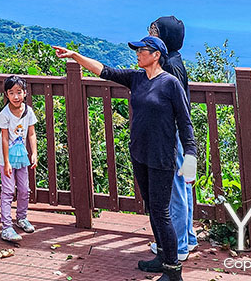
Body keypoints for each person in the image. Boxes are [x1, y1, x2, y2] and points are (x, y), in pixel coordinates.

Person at [55, 38, 196, 281]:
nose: (138, 54)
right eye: (138, 50)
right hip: (140, 154)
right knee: (152, 208)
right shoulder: (137, 78)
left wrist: (190, 158)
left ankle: (174, 272)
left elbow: (185, 123)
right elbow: (104, 71)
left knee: (162, 213)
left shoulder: (171, 84)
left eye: (143, 51)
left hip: (162, 157)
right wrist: (76, 56)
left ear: (156, 55)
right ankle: (162, 257)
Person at [148, 16, 197, 262]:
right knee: (182, 185)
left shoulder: (169, 68)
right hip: (176, 131)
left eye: (154, 34)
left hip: (172, 132)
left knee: (175, 189)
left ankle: (176, 247)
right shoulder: (175, 61)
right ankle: (186, 237)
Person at [0, 75, 38, 243]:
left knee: (24, 189)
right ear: (6, 95)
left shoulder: (28, 111)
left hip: (21, 156)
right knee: (7, 191)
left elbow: (32, 133)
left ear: (25, 93)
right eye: (11, 93)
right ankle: (6, 227)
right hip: (6, 157)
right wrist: (6, 163)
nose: (16, 96)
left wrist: (34, 152)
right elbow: (5, 139)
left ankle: (21, 217)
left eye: (19, 92)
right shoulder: (4, 114)